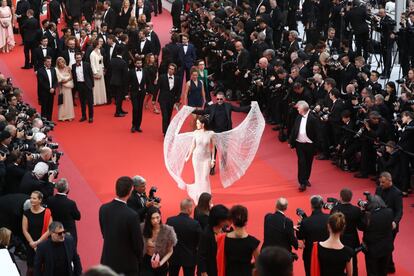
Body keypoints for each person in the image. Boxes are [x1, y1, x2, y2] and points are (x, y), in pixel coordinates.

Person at [192, 91, 251, 174]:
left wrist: (251, 106)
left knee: (224, 150)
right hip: (215, 132)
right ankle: (212, 167)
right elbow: (203, 112)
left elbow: (239, 109)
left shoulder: (228, 106)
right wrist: (192, 110)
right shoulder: (212, 107)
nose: (219, 100)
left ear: (224, 99)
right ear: (216, 99)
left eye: (221, 99)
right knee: (214, 150)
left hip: (225, 132)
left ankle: (223, 165)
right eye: (218, 99)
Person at [99, 176, 143, 276]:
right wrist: (139, 260)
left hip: (107, 262)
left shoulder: (103, 209)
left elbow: (104, 233)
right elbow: (137, 244)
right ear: (130, 191)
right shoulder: (132, 215)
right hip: (127, 266)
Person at [217, 205, 260, 276]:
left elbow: (219, 261)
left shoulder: (223, 239)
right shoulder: (253, 242)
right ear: (246, 221)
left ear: (232, 221)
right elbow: (259, 264)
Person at [288, 101, 321, 192]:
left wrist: (316, 146)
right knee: (301, 162)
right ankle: (302, 182)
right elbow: (294, 129)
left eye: (298, 107)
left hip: (310, 145)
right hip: (299, 144)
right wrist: (291, 141)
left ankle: (306, 179)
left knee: (308, 163)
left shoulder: (313, 119)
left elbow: (318, 133)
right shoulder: (298, 117)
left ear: (303, 109)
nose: (297, 109)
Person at [375, 172, 403, 273]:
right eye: (380, 182)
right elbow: (375, 204)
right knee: (385, 246)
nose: (381, 184)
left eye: (383, 182)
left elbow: (399, 210)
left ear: (389, 181)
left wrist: (395, 222)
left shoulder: (397, 193)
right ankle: (390, 266)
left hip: (391, 225)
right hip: (380, 222)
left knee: (387, 246)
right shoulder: (378, 189)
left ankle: (388, 267)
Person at [360, 195, 394, 276]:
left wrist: (362, 212)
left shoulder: (368, 216)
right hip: (386, 247)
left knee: (372, 271)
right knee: (383, 270)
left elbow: (361, 227)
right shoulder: (389, 211)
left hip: (372, 249)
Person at [331, 188, 362, 276]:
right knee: (353, 261)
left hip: (339, 238)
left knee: (337, 261)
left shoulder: (335, 209)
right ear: (351, 198)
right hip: (353, 239)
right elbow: (360, 226)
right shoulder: (356, 210)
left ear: (340, 197)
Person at [166, 199, 202, 276]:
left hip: (173, 256)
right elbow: (200, 241)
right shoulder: (195, 224)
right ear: (189, 209)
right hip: (190, 257)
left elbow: (166, 238)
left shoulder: (170, 221)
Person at [296, 195, 329, 276]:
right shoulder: (329, 218)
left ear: (311, 206)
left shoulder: (306, 221)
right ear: (322, 205)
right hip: (327, 252)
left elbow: (300, 236)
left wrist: (299, 224)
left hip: (309, 254)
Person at [184, 116, 215, 202]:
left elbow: (213, 148)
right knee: (198, 177)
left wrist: (213, 160)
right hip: (196, 157)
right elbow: (193, 145)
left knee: (205, 177)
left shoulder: (211, 133)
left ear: (203, 124)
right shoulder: (195, 133)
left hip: (207, 158)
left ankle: (208, 199)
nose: (196, 124)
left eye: (198, 123)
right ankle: (198, 196)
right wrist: (188, 156)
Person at [22, 191, 53, 275]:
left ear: (40, 200)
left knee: (43, 268)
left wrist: (38, 242)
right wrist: (32, 243)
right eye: (31, 197)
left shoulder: (47, 212)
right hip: (30, 245)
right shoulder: (26, 213)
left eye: (34, 198)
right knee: (31, 268)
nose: (31, 200)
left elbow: (49, 230)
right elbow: (25, 230)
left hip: (43, 244)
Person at [141, 207, 177, 276]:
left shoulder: (167, 231)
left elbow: (170, 251)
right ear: (149, 219)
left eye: (157, 217)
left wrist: (160, 263)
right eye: (152, 218)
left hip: (161, 262)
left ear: (160, 217)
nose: (155, 220)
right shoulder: (143, 229)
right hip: (146, 262)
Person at [47, 178, 81, 245]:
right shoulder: (71, 203)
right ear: (67, 189)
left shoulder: (50, 200)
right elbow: (78, 217)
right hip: (68, 232)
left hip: (54, 229)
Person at [197, 204, 229, 276]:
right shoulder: (206, 234)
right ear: (217, 220)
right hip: (210, 270)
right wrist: (203, 272)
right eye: (224, 220)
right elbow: (201, 255)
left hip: (222, 268)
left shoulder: (225, 230)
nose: (226, 222)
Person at [158, 63, 181, 135]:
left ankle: (167, 129)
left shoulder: (177, 79)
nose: (170, 70)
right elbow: (157, 88)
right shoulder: (162, 77)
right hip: (163, 100)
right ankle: (165, 132)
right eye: (169, 69)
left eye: (172, 69)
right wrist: (153, 99)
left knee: (169, 116)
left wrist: (177, 100)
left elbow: (178, 91)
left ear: (174, 71)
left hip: (171, 100)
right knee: (165, 116)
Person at [72, 52, 94, 123]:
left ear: (81, 57)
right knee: (82, 102)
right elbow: (74, 76)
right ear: (75, 58)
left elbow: (91, 75)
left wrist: (92, 85)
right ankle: (84, 116)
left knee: (90, 102)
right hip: (79, 85)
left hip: (87, 85)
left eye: (79, 57)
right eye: (77, 58)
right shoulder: (73, 66)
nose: (78, 59)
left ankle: (91, 117)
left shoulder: (87, 65)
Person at [129, 58, 148, 133]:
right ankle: (133, 125)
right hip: (134, 92)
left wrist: (148, 90)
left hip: (142, 93)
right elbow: (127, 82)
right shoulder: (131, 72)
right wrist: (127, 93)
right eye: (138, 63)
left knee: (140, 109)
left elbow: (148, 81)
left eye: (140, 63)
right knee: (135, 108)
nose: (139, 64)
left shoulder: (145, 71)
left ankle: (138, 126)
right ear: (135, 64)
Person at [37, 56, 58, 121]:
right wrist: (49, 88)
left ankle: (49, 120)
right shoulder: (40, 71)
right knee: (44, 107)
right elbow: (41, 82)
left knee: (50, 106)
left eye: (50, 61)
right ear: (44, 62)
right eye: (48, 62)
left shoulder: (53, 69)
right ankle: (44, 121)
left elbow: (55, 80)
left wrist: (54, 88)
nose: (49, 63)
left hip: (52, 91)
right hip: (44, 92)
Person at [110, 47, 129, 117]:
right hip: (120, 82)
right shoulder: (123, 62)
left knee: (117, 97)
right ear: (122, 53)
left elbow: (110, 71)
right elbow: (125, 75)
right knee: (119, 98)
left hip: (113, 81)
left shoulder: (112, 60)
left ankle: (120, 109)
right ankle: (117, 112)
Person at [55, 56, 75, 121]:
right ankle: (62, 116)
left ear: (64, 62)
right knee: (63, 101)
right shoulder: (56, 70)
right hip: (61, 87)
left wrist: (66, 80)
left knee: (68, 100)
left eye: (62, 62)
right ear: (58, 63)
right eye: (59, 63)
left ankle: (69, 116)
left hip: (68, 87)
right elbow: (57, 79)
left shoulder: (68, 68)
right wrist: (62, 82)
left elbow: (71, 77)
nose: (61, 64)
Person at [90, 39, 107, 105]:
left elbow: (101, 61)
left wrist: (103, 69)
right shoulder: (92, 54)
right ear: (96, 45)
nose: (100, 44)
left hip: (100, 69)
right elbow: (92, 64)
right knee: (96, 86)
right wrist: (95, 73)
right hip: (96, 70)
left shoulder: (99, 51)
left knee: (101, 85)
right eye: (99, 43)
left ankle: (102, 100)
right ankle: (96, 101)